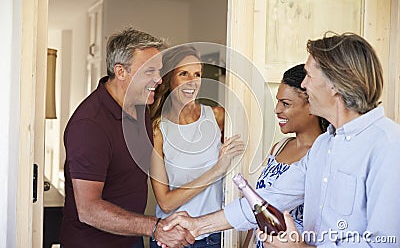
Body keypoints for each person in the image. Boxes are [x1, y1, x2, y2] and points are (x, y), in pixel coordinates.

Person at [161, 32, 400, 247]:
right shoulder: (324, 146)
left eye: (308, 76)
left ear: (335, 84)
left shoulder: (388, 145)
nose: (304, 85)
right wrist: (198, 225)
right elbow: (269, 199)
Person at [60, 28, 195, 248]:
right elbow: (88, 210)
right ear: (121, 72)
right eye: (149, 71)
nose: (159, 79)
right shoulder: (89, 126)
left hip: (131, 239)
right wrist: (154, 227)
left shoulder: (140, 105)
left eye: (159, 70)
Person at [149, 45, 245, 248]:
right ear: (169, 79)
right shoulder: (158, 130)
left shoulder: (218, 117)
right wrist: (217, 169)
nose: (192, 81)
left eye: (197, 74)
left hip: (212, 238)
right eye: (184, 74)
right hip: (172, 238)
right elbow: (166, 203)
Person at [242, 63, 328, 248]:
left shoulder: (323, 156)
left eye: (286, 104)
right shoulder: (279, 148)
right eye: (278, 101)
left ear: (311, 105)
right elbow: (259, 208)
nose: (277, 109)